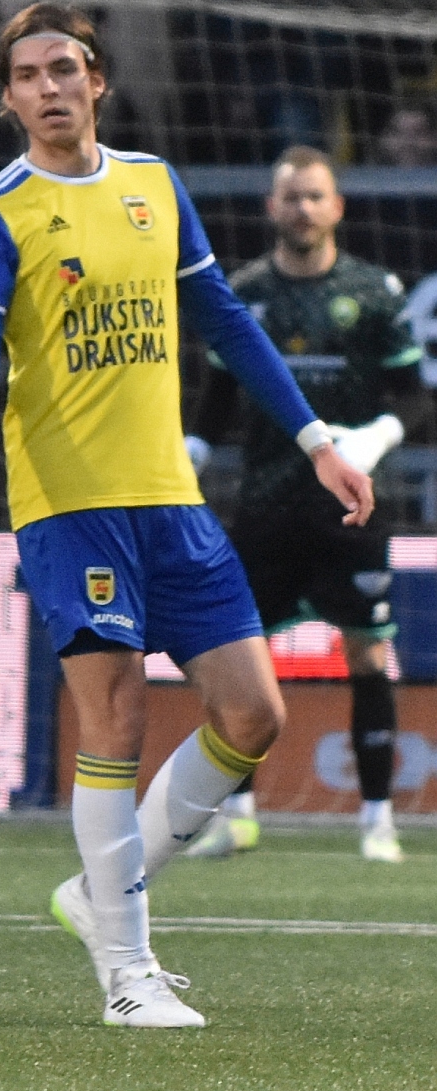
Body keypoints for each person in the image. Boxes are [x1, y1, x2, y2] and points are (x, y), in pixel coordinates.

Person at [0, 4, 374, 1028]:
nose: (49, 87)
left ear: (97, 80)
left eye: (65, 69)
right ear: (9, 99)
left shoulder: (152, 185)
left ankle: (100, 895)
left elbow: (224, 318)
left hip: (171, 499)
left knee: (254, 713)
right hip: (69, 505)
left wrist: (317, 438)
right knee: (118, 715)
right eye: (29, 76)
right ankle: (127, 970)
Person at [185, 146, 431, 862]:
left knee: (366, 654)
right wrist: (194, 455)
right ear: (271, 207)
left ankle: (378, 820)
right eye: (291, 197)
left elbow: (415, 395)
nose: (303, 209)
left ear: (338, 206)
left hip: (351, 510)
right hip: (265, 504)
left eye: (315, 196)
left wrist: (378, 438)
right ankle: (237, 815)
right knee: (234, 660)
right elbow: (218, 399)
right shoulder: (246, 292)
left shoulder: (375, 291)